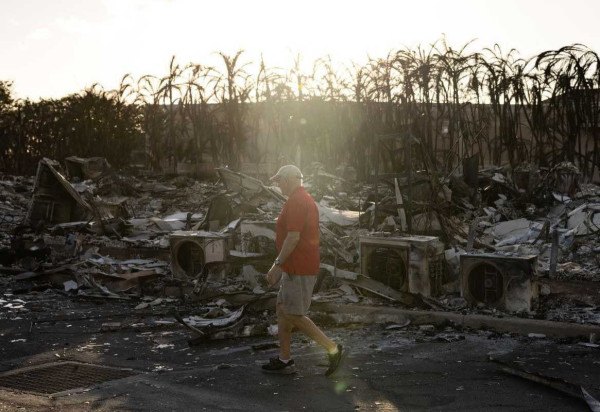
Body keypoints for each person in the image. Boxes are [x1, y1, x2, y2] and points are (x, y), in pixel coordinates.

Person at [261, 165, 344, 376]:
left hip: (298, 267)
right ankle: (285, 359)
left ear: (288, 180)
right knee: (282, 310)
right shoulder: (300, 198)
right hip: (296, 266)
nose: (277, 185)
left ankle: (332, 348)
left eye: (279, 181)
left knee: (293, 313)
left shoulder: (298, 200)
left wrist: (277, 265)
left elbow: (293, 237)